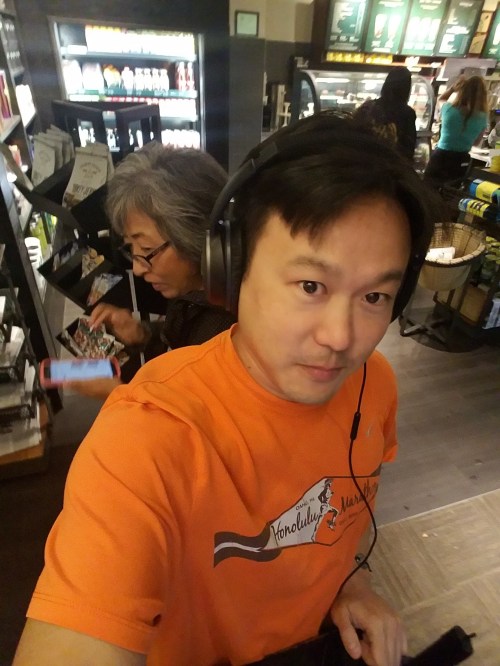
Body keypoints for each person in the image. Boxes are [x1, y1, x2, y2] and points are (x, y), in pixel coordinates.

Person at [14, 112, 439, 666]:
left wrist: (351, 581)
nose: (341, 339)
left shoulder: (373, 385)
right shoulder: (143, 438)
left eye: (375, 297)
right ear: (233, 268)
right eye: (311, 285)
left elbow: (344, 518)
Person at [68, 142, 235, 399]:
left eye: (146, 248)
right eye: (131, 248)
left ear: (198, 237)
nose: (137, 269)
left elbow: (190, 419)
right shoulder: (193, 291)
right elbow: (178, 345)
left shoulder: (228, 334)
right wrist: (142, 333)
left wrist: (118, 394)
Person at [424, 75, 488, 189]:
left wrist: (453, 88)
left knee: (427, 190)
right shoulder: (483, 117)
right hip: (461, 160)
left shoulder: (449, 109)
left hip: (441, 156)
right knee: (450, 192)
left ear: (462, 91)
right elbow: (476, 142)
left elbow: (441, 99)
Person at [353, 66, 417, 160]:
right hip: (390, 163)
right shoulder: (407, 113)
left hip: (364, 160)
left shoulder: (368, 106)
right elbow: (409, 149)